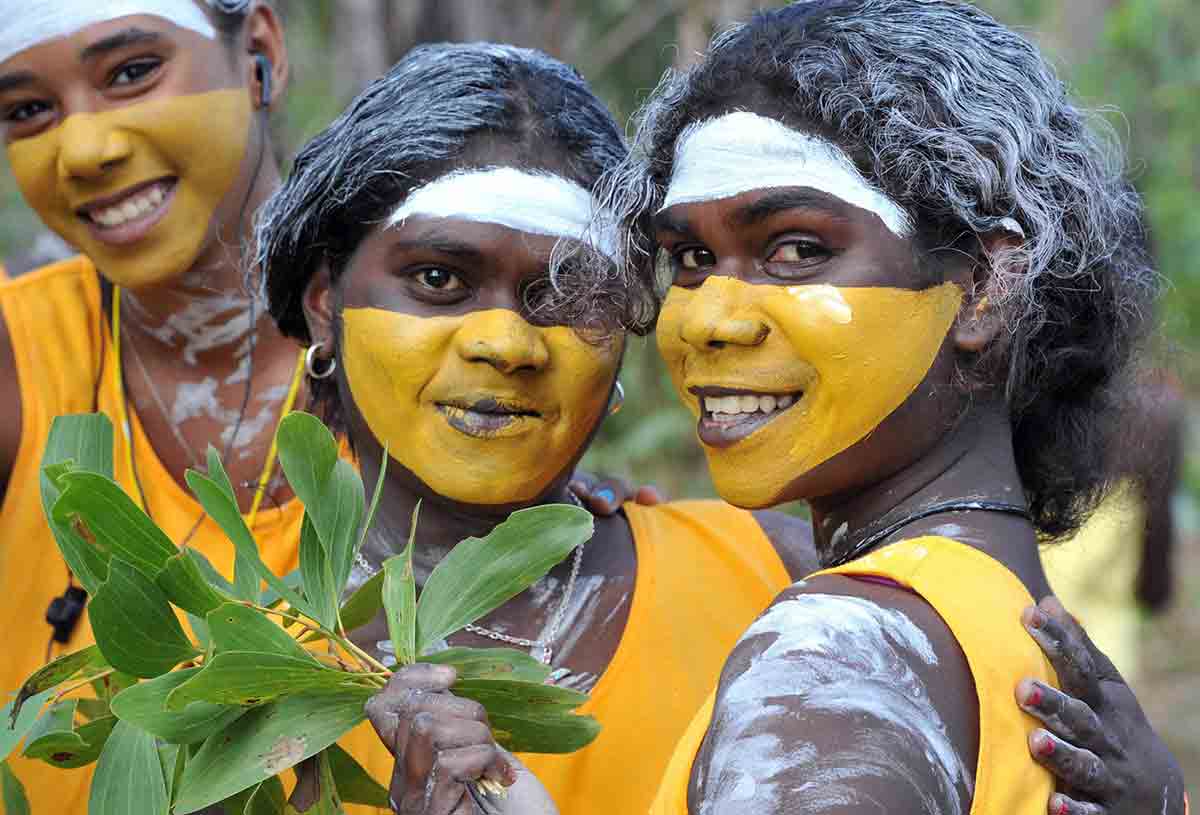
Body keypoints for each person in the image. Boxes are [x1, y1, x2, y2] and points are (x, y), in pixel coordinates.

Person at [269, 32, 1187, 815]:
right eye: (692, 260)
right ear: (323, 304)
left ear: (986, 285)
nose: (708, 317)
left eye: (796, 250)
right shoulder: (206, 647)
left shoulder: (819, 635)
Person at [255, 41, 814, 815]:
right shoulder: (222, 632)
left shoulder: (788, 584)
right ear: (326, 304)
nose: (507, 343)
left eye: (562, 291)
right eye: (438, 280)